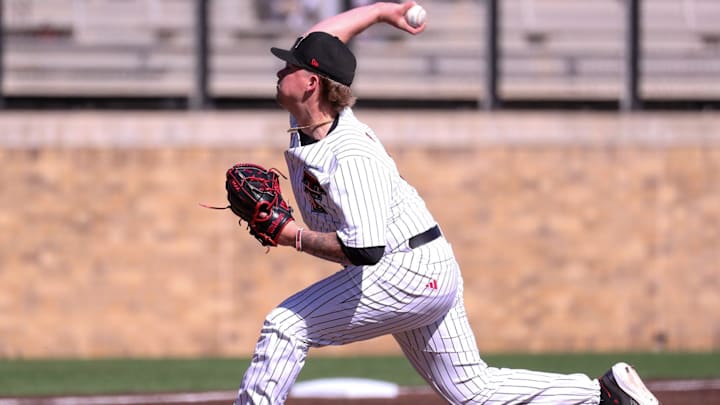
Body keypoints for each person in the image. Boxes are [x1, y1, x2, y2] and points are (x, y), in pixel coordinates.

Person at [233, 2, 660, 404]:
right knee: (472, 391)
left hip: (403, 270)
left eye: (289, 64)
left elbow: (364, 250)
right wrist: (383, 11)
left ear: (311, 83)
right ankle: (605, 395)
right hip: (425, 262)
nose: (280, 68)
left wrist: (292, 236)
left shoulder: (349, 155)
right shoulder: (310, 117)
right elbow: (323, 35)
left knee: (285, 326)